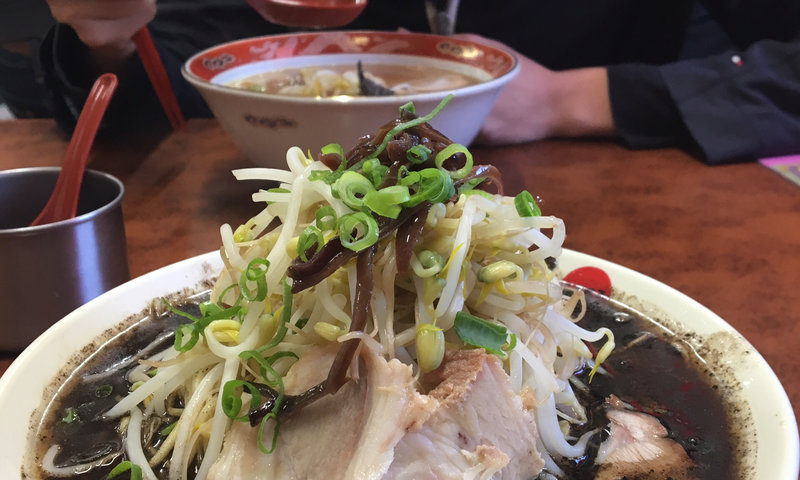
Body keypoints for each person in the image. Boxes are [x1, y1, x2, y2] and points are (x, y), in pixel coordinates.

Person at [20, 0, 800, 163]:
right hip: (267, 215)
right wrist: (105, 36)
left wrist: (578, 96)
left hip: (608, 204)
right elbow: (161, 90)